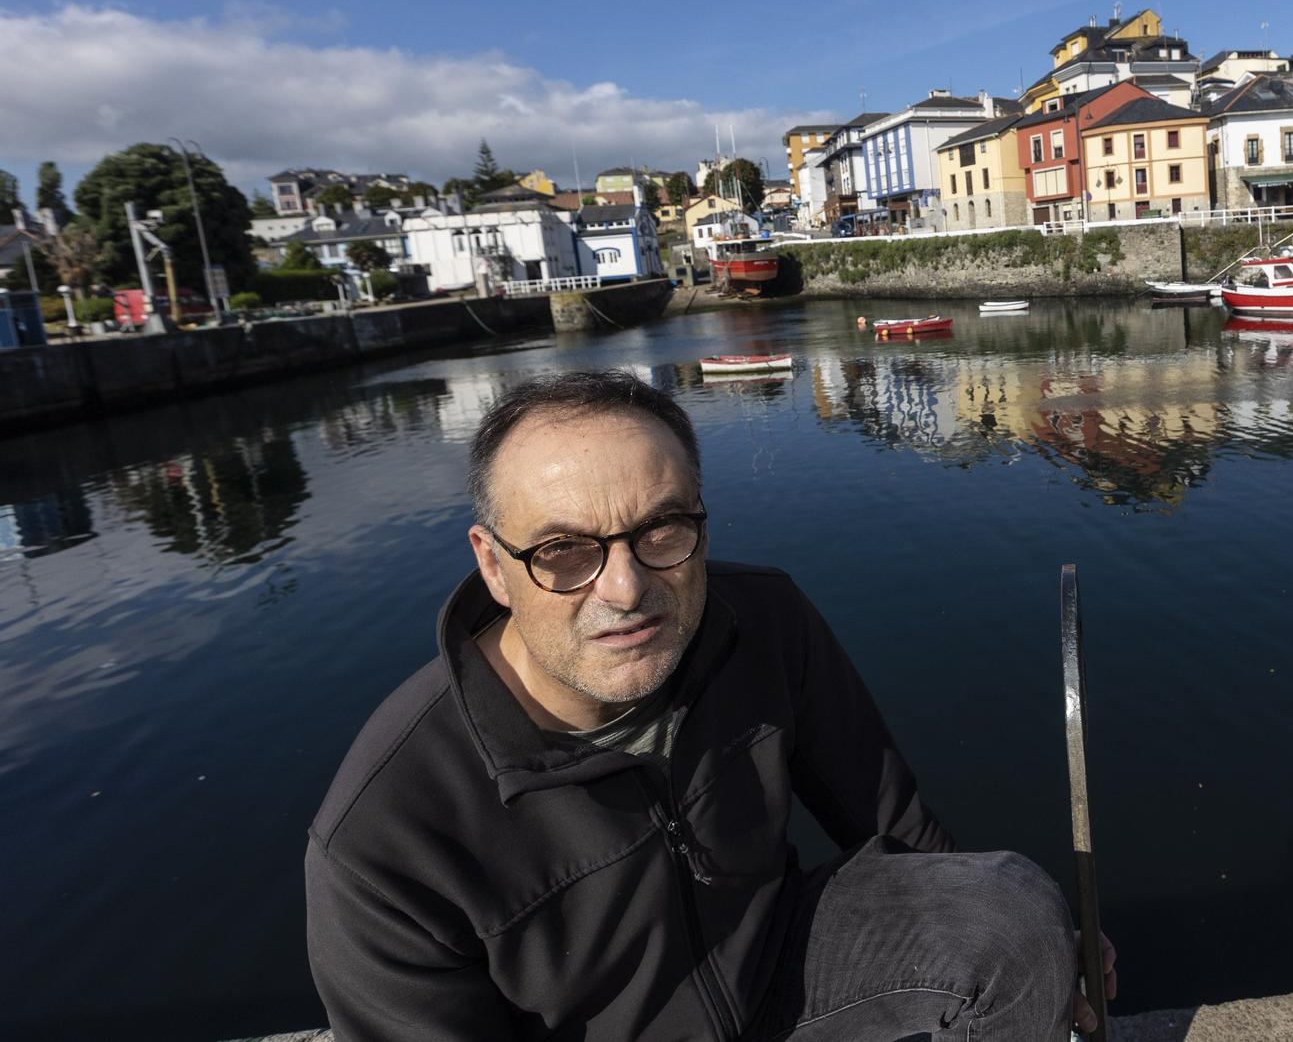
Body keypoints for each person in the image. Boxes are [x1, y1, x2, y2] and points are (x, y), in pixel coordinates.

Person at [305, 369, 1113, 1040]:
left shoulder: (761, 622)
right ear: (492, 563)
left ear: (703, 519)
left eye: (662, 531)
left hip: (775, 972)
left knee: (1012, 916)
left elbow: (889, 821)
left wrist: (1044, 953)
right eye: (563, 550)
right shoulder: (385, 835)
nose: (625, 589)